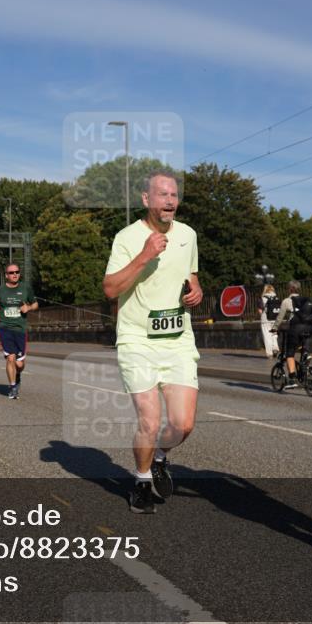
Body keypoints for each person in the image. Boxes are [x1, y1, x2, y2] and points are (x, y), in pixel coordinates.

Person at [103, 171, 203, 514]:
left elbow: (191, 276)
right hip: (137, 341)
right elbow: (110, 289)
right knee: (149, 419)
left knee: (183, 424)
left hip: (177, 340)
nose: (170, 201)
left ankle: (159, 456)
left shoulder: (188, 235)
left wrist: (196, 290)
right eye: (162, 195)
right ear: (146, 199)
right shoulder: (127, 238)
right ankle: (142, 480)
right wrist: (145, 255)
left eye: (174, 195)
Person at [0, 265, 37, 399]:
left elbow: (35, 304)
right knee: (11, 358)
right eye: (11, 272)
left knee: (19, 363)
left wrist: (28, 307)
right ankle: (12, 387)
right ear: (6, 275)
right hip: (5, 327)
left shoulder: (25, 288)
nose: (14, 274)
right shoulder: (0, 290)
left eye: (17, 272)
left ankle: (17, 375)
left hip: (20, 329)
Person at [273, 280, 312, 389]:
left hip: (295, 329)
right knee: (301, 346)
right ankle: (306, 356)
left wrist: (274, 328)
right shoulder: (306, 300)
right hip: (308, 329)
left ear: (290, 289)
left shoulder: (286, 301)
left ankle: (292, 378)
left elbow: (280, 317)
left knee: (289, 353)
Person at [257, 283, 279, 358]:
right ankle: (275, 348)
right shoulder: (276, 298)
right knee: (274, 334)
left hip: (265, 320)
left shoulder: (262, 298)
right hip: (275, 319)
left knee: (267, 335)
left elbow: (260, 311)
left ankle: (269, 353)